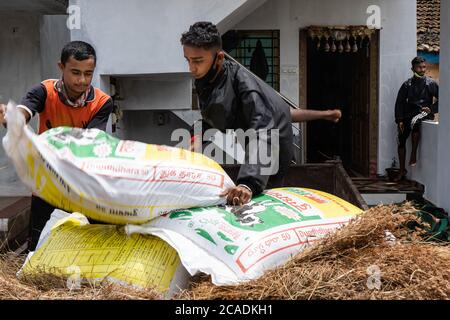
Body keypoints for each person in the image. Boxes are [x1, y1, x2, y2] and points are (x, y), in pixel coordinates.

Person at [181, 21, 341, 206]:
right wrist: (197, 137)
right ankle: (326, 114)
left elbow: (264, 129)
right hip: (259, 126)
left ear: (219, 58)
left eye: (198, 61)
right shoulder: (207, 78)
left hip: (273, 138)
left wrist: (248, 183)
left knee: (265, 193)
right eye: (188, 60)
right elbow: (215, 116)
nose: (191, 68)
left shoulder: (245, 86)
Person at [0, 41, 113, 250]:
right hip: (47, 182)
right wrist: (12, 117)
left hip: (82, 181)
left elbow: (93, 140)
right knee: (37, 246)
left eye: (88, 73)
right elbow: (25, 112)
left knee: (99, 240)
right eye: (75, 72)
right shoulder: (44, 91)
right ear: (61, 67)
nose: (82, 80)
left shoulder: (102, 102)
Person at [394, 56, 439, 181]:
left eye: (424, 67)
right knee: (400, 139)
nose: (422, 69)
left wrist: (431, 108)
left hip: (423, 113)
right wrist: (400, 119)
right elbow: (399, 103)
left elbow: (443, 98)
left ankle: (413, 154)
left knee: (415, 121)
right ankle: (402, 170)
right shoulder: (407, 84)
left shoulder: (430, 83)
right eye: (419, 67)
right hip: (408, 114)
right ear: (412, 68)